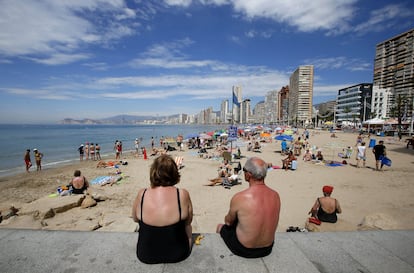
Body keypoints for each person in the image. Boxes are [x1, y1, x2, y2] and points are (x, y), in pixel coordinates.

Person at [132, 154, 193, 264]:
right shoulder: (182, 194)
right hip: (178, 254)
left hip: (145, 255)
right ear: (175, 173)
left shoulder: (142, 193)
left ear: (153, 172)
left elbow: (135, 219)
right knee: (188, 226)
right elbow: (188, 222)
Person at [216, 157, 280, 258]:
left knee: (221, 227)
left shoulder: (240, 197)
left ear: (248, 174)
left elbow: (228, 222)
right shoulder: (275, 195)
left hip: (245, 249)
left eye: (244, 170)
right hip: (267, 248)